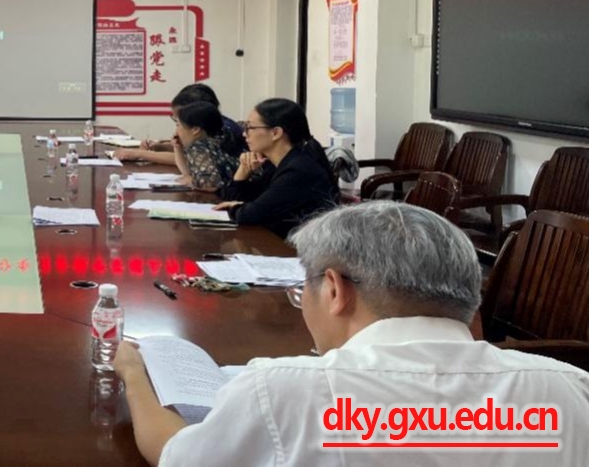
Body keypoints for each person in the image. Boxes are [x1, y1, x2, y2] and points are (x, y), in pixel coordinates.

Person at [114, 201, 589, 466]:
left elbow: (176, 457)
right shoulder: (569, 388)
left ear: (336, 290)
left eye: (303, 290)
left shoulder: (285, 391)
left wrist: (135, 373)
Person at [213, 98, 339, 236]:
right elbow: (241, 199)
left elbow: (251, 214)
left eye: (250, 128)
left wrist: (238, 207)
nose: (244, 134)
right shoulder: (276, 165)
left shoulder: (299, 171)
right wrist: (243, 171)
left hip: (301, 245)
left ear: (276, 133)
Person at [135, 84, 245, 161]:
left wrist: (139, 154)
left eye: (178, 119)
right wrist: (160, 147)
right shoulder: (211, 124)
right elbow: (187, 149)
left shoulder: (223, 132)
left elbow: (191, 160)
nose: (178, 126)